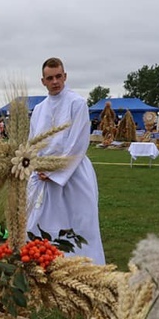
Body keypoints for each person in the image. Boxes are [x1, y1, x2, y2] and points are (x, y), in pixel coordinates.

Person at [24, 57, 105, 265]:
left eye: (59, 76)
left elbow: (77, 142)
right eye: (50, 78)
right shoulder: (39, 110)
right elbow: (32, 143)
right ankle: (45, 264)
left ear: (65, 76)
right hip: (42, 177)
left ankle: (85, 267)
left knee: (78, 224)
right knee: (40, 223)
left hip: (72, 174)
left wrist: (54, 171)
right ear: (43, 81)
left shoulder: (77, 104)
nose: (55, 81)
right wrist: (36, 166)